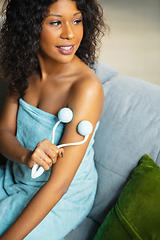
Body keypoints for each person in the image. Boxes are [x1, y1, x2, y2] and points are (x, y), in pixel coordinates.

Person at [0, 0, 107, 239]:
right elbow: (4, 131)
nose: (70, 33)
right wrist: (26, 156)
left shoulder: (85, 89)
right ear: (29, 26)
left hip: (59, 195)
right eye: (56, 22)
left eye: (77, 20)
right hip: (16, 173)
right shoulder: (25, 67)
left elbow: (59, 184)